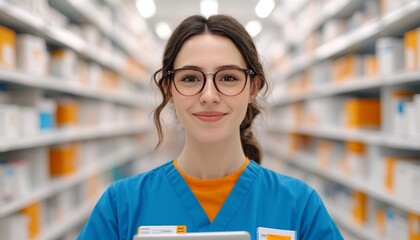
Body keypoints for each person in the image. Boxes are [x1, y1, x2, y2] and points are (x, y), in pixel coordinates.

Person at [78, 14, 343, 240]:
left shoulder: (300, 207)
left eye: (228, 77)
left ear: (253, 87)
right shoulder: (121, 206)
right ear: (169, 89)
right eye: (190, 78)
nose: (209, 95)